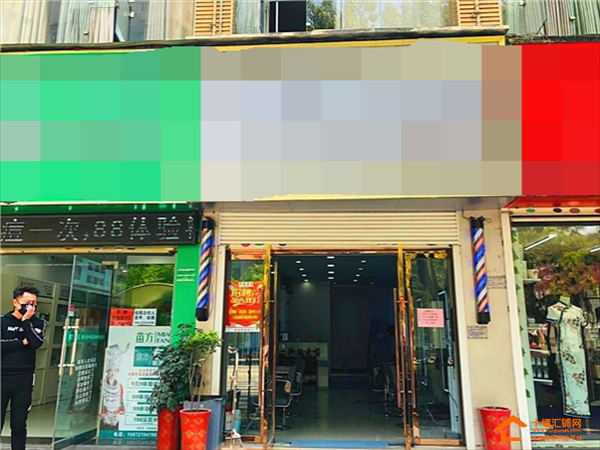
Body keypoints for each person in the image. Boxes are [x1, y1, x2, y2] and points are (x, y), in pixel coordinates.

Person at [1, 286, 46, 450]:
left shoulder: (38, 322)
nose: (30, 307)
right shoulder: (3, 321)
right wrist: (22, 342)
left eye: (34, 303)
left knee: (19, 421)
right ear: (15, 302)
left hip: (25, 377)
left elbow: (36, 343)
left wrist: (26, 322)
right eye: (27, 303)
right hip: (2, 376)